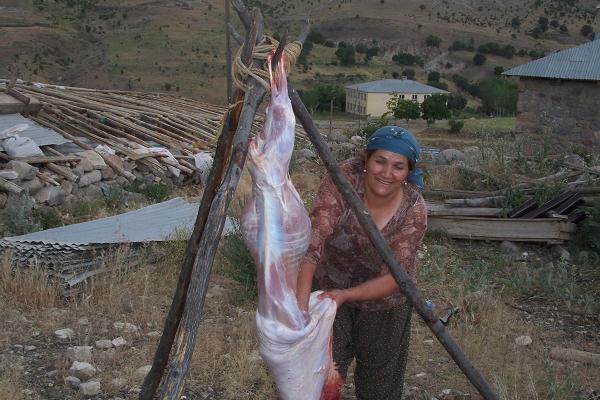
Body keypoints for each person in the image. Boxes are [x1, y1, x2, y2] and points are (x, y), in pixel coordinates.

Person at [296, 125, 427, 400]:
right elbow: (313, 243)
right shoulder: (343, 181)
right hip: (328, 292)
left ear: (408, 172)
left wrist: (346, 295)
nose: (387, 173)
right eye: (380, 161)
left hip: (385, 304)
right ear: (366, 159)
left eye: (398, 166)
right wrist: (301, 307)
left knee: (380, 386)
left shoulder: (413, 208)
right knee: (320, 376)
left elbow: (394, 278)